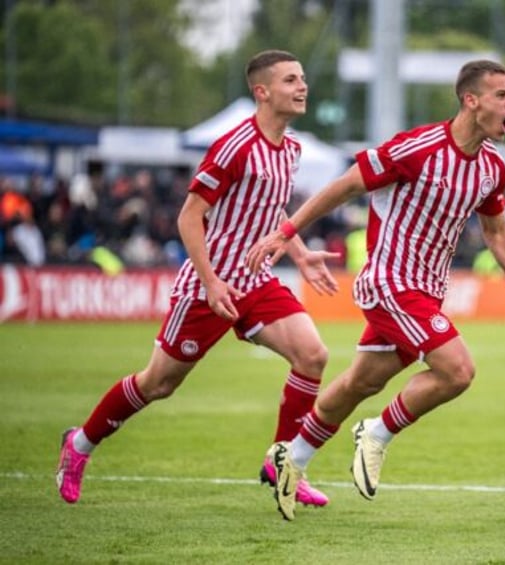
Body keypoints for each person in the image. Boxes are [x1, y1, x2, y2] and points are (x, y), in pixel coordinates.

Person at [245, 59, 505, 521]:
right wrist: (286, 230)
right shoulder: (417, 148)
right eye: (502, 95)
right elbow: (344, 186)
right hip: (390, 282)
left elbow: (497, 233)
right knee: (457, 370)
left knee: (362, 381)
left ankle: (290, 459)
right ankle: (376, 433)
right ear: (471, 101)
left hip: (427, 292)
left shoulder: (492, 167)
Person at [55, 50, 339, 511]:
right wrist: (210, 282)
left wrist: (301, 253)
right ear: (262, 92)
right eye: (290, 80)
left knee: (312, 356)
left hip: (255, 281)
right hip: (208, 285)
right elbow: (191, 216)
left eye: (303, 78)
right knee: (158, 384)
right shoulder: (234, 145)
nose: (302, 87)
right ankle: (80, 444)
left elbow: (270, 211)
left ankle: (283, 463)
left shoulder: (292, 149)